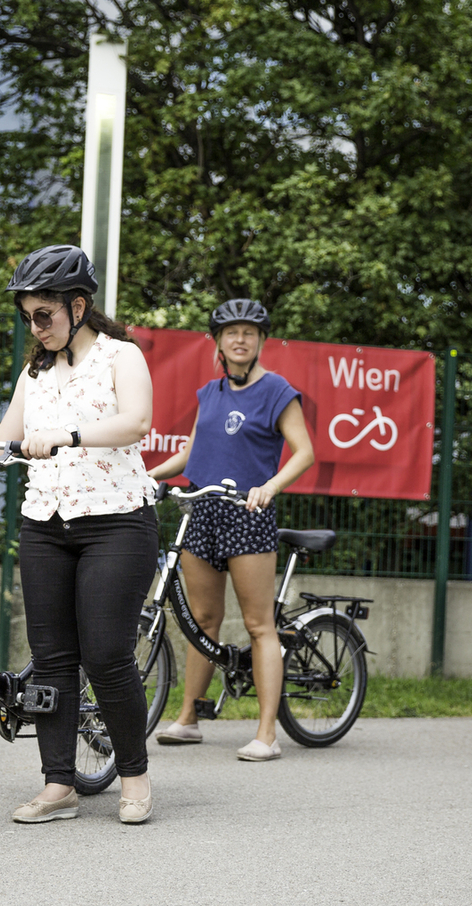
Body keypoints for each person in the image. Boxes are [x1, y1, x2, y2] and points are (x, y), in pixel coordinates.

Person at [0, 245, 157, 823]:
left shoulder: (121, 357)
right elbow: (0, 441)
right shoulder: (35, 371)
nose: (34, 327)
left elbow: (137, 421)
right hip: (45, 525)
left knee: (107, 652)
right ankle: (59, 784)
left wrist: (67, 435)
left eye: (44, 315)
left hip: (116, 522)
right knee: (52, 656)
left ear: (78, 305)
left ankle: (135, 777)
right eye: (28, 317)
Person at [148, 299, 315, 760]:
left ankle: (266, 734)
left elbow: (304, 452)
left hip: (248, 512)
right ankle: (188, 719)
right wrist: (148, 478)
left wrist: (270, 486)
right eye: (230, 332)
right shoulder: (210, 393)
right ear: (218, 342)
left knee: (261, 626)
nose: (239, 339)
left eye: (249, 332)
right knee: (202, 621)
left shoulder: (278, 390)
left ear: (261, 340)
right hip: (202, 511)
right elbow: (189, 454)